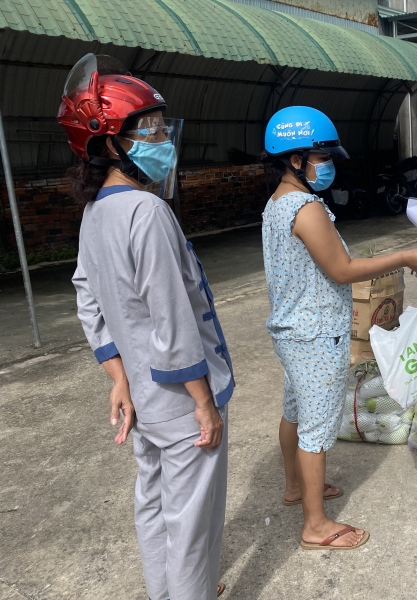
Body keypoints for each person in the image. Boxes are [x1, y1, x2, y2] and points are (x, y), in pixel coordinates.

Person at [59, 54, 232, 599]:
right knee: (191, 530)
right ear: (110, 142)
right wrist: (203, 401)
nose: (164, 138)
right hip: (181, 403)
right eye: (149, 128)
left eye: (162, 124)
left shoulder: (96, 213)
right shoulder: (147, 212)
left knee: (155, 510)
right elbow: (172, 317)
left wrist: (118, 376)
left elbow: (87, 297)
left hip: (144, 395)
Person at [261, 106, 417, 550]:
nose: (330, 167)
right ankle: (316, 525)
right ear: (294, 159)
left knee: (295, 411)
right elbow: (342, 270)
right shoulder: (306, 208)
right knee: (317, 427)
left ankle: (296, 487)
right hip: (316, 333)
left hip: (290, 328)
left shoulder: (278, 203)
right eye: (322, 158)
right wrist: (404, 256)